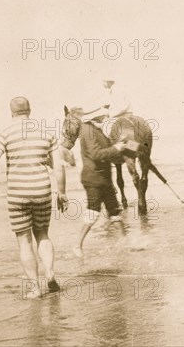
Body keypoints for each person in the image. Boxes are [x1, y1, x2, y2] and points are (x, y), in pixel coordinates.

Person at [0, 97, 68, 299]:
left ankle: (35, 288)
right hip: (42, 190)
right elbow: (58, 166)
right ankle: (50, 273)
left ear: (11, 113)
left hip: (17, 195)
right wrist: (62, 192)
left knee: (24, 241)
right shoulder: (46, 133)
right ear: (30, 111)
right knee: (42, 234)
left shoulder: (4, 134)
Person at [73, 107, 127, 258]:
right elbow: (97, 155)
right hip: (93, 179)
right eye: (104, 116)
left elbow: (113, 151)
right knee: (93, 213)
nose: (106, 119)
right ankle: (77, 245)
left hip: (104, 179)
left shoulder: (98, 129)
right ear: (95, 117)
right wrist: (117, 148)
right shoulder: (87, 131)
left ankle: (125, 243)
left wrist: (136, 147)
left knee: (115, 212)